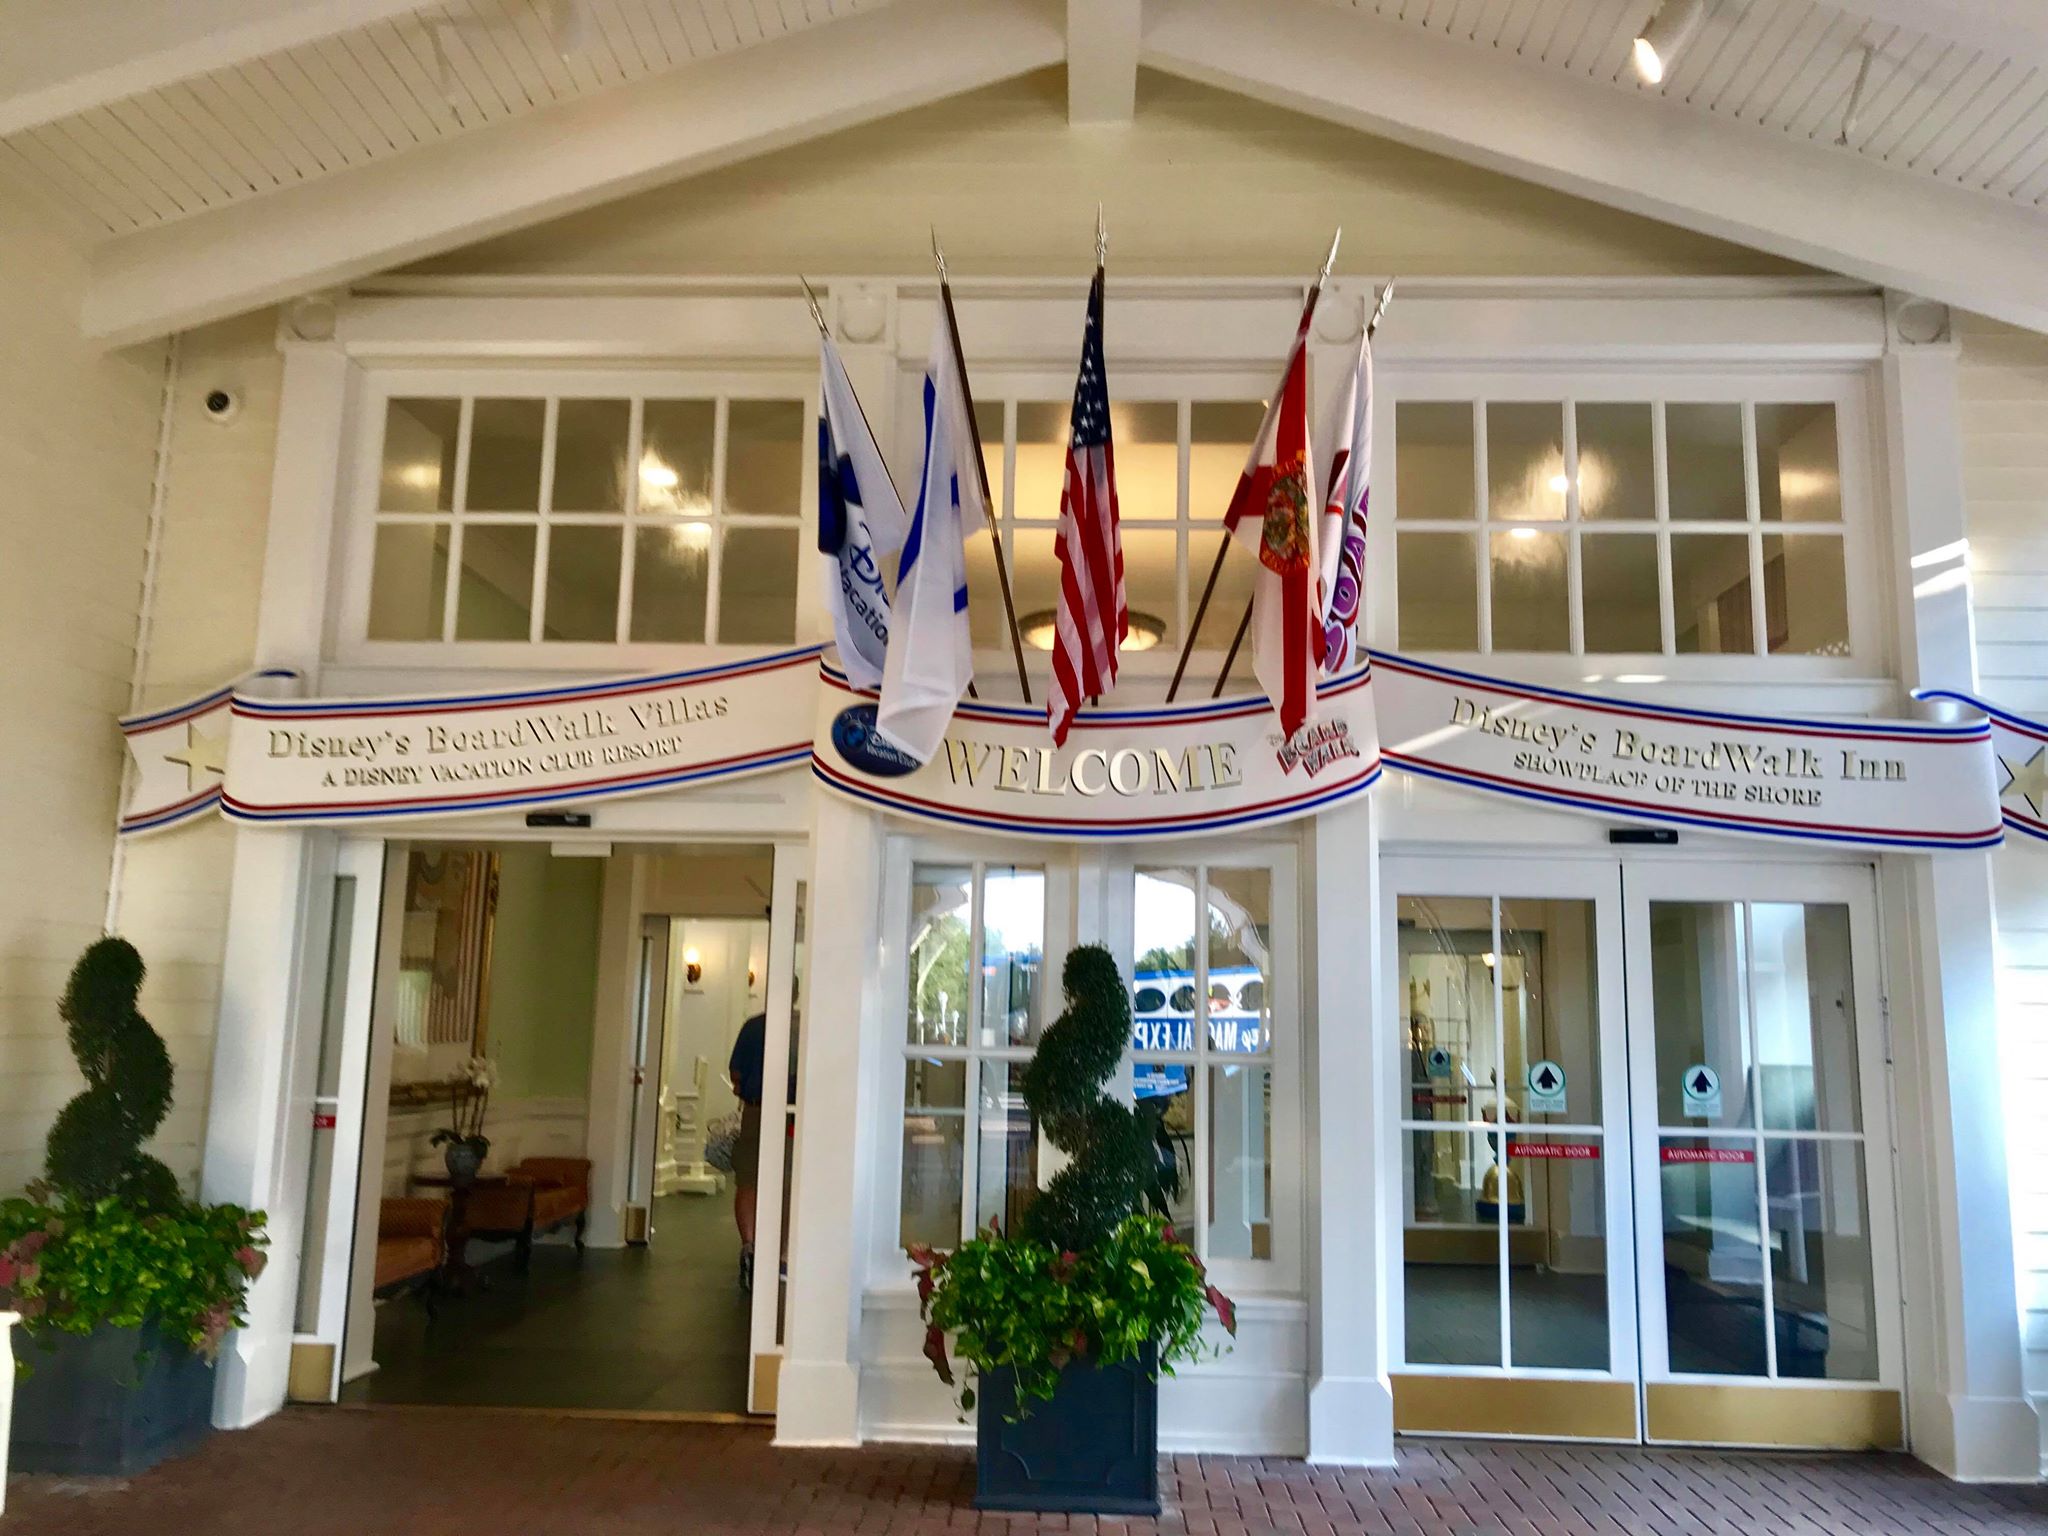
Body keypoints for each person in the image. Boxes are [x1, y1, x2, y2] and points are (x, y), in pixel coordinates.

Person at [728, 1011, 766, 1291]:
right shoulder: (806, 1025)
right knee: (788, 1182)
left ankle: (749, 1246)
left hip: (755, 1109)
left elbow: (736, 1073)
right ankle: (781, 1253)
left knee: (748, 1181)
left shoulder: (753, 1026)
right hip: (796, 1113)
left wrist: (743, 1089)